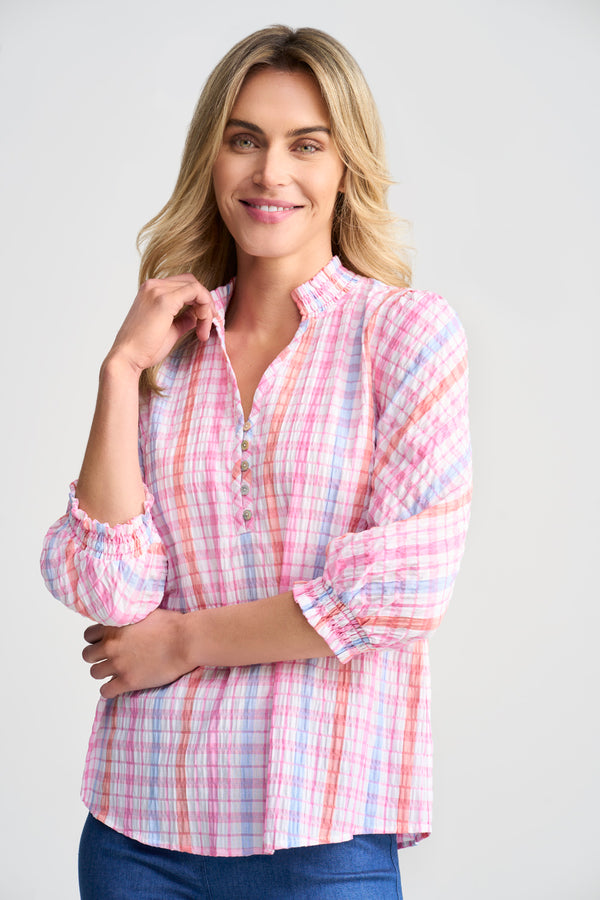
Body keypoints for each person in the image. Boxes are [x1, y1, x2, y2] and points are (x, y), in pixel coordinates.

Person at [40, 24, 471, 900]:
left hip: (322, 830)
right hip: (137, 833)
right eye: (244, 140)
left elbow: (399, 589)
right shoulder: (168, 351)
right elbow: (110, 588)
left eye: (305, 145)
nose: (271, 172)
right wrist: (120, 370)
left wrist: (182, 641)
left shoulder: (403, 332)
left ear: (345, 167)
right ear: (212, 157)